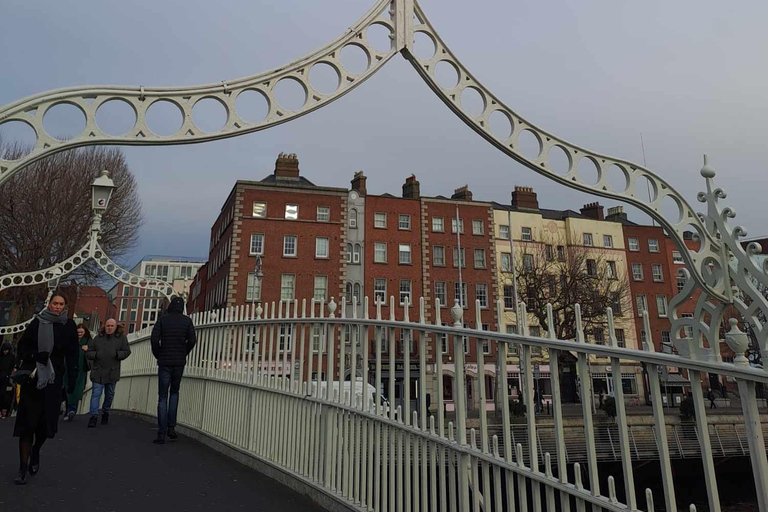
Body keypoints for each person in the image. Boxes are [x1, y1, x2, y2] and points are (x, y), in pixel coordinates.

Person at [11, 294, 78, 485]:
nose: (57, 307)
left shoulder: (69, 325)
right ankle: (22, 467)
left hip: (53, 380)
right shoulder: (37, 322)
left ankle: (36, 450)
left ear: (65, 306)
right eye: (54, 303)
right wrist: (35, 355)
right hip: (34, 378)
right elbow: (22, 347)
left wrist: (72, 379)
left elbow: (73, 354)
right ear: (49, 304)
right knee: (27, 424)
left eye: (61, 304)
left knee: (45, 425)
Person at [150, 296, 196, 444]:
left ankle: (161, 433)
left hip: (164, 362)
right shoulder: (187, 321)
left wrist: (159, 353)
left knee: (162, 397)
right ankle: (172, 428)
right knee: (174, 393)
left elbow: (154, 339)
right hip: (179, 362)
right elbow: (193, 340)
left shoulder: (163, 320)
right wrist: (184, 352)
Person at [86, 319, 131, 428]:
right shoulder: (98, 338)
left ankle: (105, 411)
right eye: (107, 326)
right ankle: (94, 416)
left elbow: (127, 351)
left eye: (111, 326)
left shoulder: (121, 339)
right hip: (98, 371)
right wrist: (96, 355)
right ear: (104, 326)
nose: (109, 328)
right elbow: (89, 352)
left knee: (109, 394)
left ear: (115, 327)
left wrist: (117, 354)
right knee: (96, 394)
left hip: (112, 371)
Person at [63, 324, 91, 421]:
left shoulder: (88, 342)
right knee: (67, 388)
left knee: (77, 390)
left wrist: (88, 350)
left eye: (81, 332)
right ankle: (68, 410)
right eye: (78, 332)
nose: (79, 334)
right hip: (69, 368)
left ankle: (72, 410)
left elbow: (93, 353)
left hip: (81, 369)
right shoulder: (70, 341)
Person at [1, 342, 15, 418]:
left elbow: (13, 365)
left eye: (6, 350)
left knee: (5, 394)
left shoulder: (11, 357)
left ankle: (4, 410)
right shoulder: (1, 357)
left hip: (7, 377)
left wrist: (9, 374)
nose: (5, 352)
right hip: (2, 376)